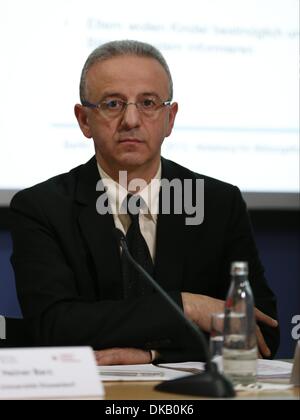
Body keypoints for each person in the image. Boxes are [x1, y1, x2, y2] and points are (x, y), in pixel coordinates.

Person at [10, 40, 279, 365]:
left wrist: (153, 355)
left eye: (149, 103)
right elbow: (54, 326)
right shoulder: (42, 208)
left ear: (170, 117)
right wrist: (184, 306)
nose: (131, 120)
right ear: (83, 120)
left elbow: (263, 333)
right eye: (112, 104)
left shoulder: (217, 204)